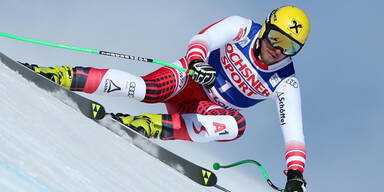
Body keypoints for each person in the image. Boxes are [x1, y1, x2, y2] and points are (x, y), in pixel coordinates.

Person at [23, 5, 309, 192]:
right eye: (276, 38)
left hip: (202, 109)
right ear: (266, 29)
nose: (278, 50)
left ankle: (147, 125)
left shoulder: (285, 80)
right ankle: (59, 75)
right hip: (188, 77)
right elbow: (203, 39)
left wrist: (295, 174)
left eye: (290, 46)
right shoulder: (242, 27)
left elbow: (293, 130)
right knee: (143, 89)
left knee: (235, 126)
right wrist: (197, 63)